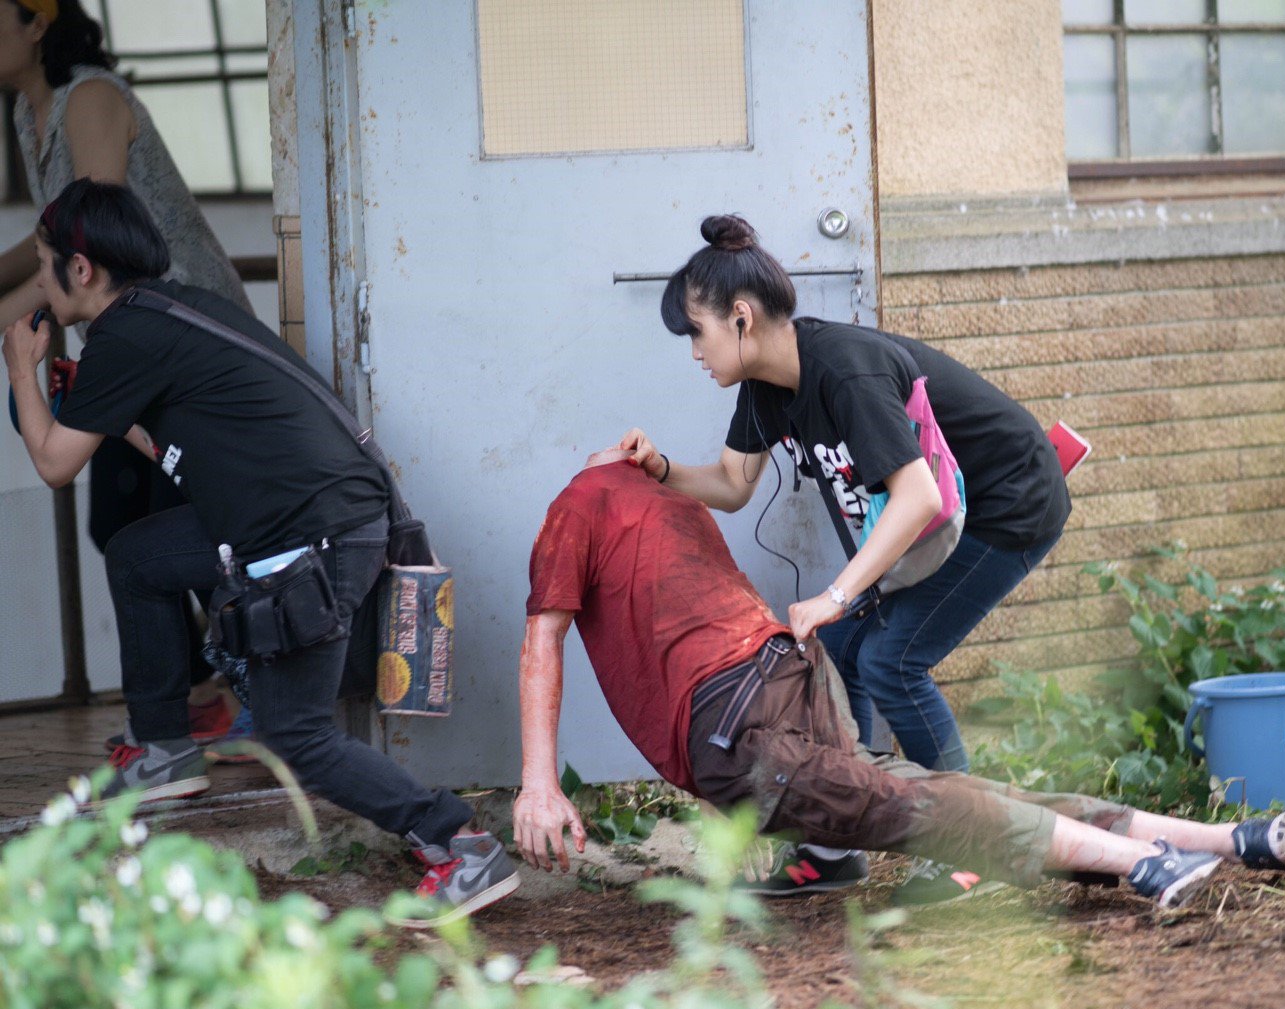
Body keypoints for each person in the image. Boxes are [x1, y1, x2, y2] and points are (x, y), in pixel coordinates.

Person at [2, 179, 518, 927]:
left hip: (310, 539)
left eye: (47, 266)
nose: (42, 284)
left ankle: (458, 842)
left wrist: (19, 363)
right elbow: (159, 439)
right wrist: (98, 405)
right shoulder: (169, 311)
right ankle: (165, 749)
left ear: (81, 271)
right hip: (311, 521)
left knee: (295, 733)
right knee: (139, 555)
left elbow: (53, 463)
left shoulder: (126, 334)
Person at [511, 449, 1285, 913]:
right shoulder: (660, 497)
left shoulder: (575, 504)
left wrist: (539, 784)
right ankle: (1235, 840)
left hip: (733, 716)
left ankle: (1148, 864)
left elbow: (541, 639)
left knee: (920, 811)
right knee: (933, 791)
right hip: (790, 670)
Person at [620, 214, 1071, 904]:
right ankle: (835, 842)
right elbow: (734, 487)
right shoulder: (768, 388)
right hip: (936, 518)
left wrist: (836, 593)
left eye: (697, 333)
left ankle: (973, 842)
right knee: (840, 650)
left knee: (893, 660)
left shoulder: (845, 370)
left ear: (739, 318)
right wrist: (658, 469)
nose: (694, 353)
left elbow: (917, 496)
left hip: (1008, 503)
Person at [0, 0, 254, 753]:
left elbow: (86, 234)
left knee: (197, 529)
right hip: (124, 348)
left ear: (35, 20)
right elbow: (50, 242)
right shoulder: (27, 112)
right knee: (120, 523)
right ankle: (193, 703)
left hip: (180, 342)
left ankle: (251, 690)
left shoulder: (93, 97)